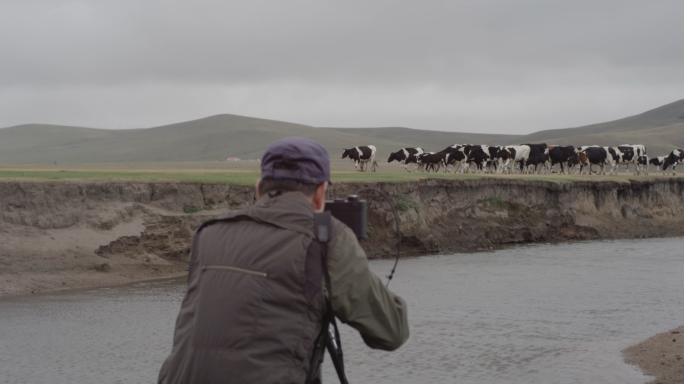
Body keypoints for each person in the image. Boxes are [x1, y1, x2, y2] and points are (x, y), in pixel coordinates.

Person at [158, 137, 409, 384]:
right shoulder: (326, 238)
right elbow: (392, 332)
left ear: (258, 189)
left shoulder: (209, 233)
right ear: (321, 193)